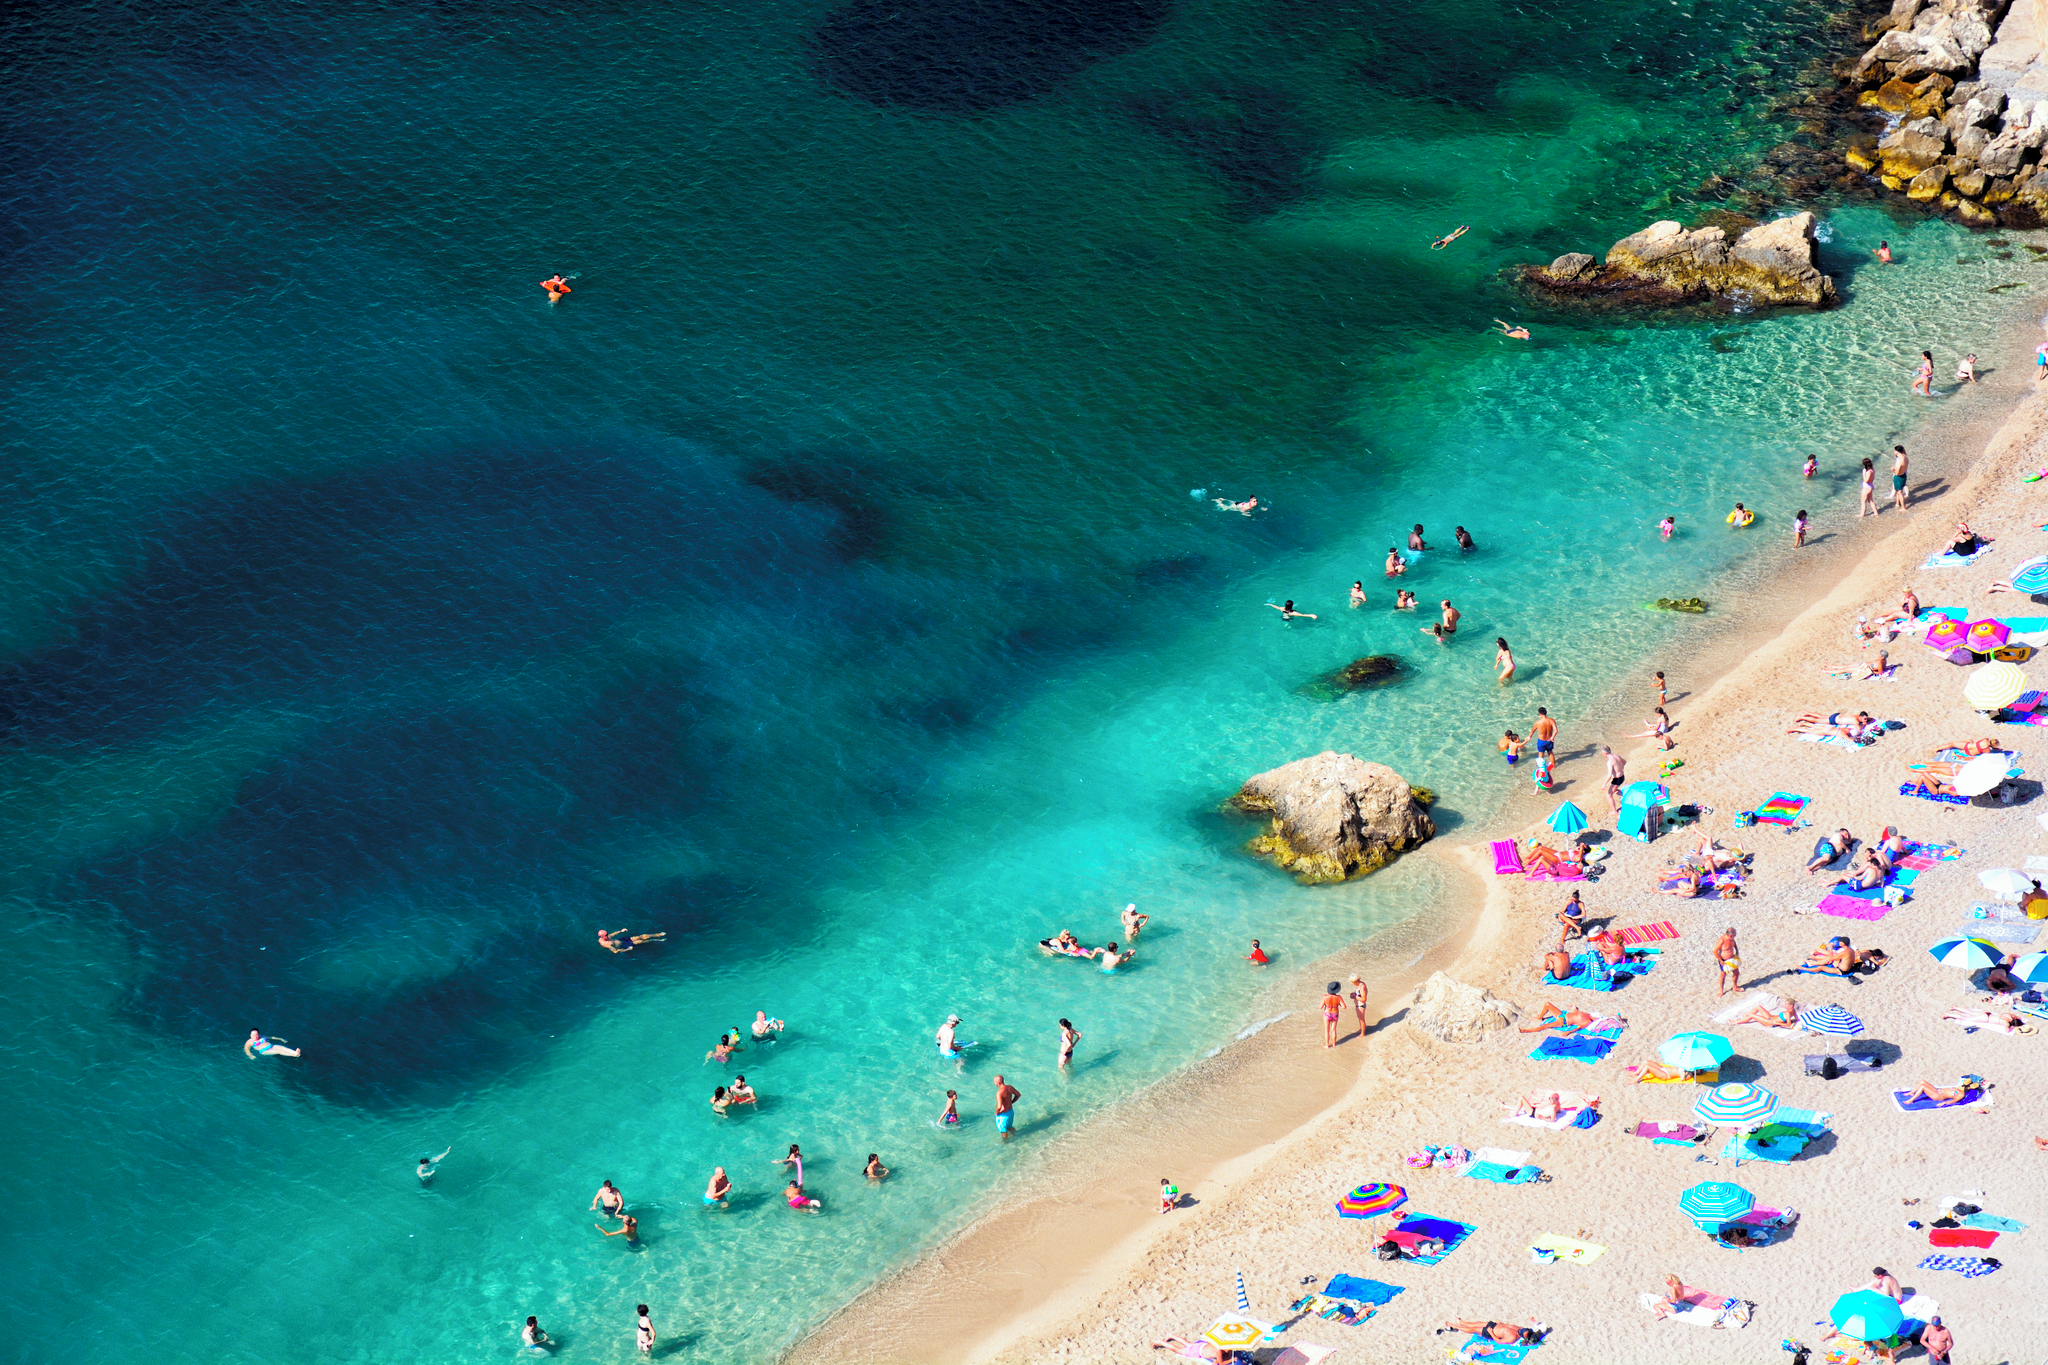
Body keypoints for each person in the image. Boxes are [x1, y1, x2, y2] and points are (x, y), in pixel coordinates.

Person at [1438, 1319, 1543, 1348]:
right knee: (1477, 1323)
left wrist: (1490, 1333)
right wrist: (1501, 1324)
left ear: (1524, 1336)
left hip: (1490, 1332)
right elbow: (1508, 1327)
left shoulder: (1512, 1338)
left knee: (1473, 1329)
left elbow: (1499, 1341)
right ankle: (1462, 1322)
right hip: (1495, 1325)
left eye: (1525, 1331)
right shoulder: (1522, 1329)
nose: (1524, 1329)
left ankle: (1454, 1326)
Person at [1517, 1001, 1593, 1033]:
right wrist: (1574, 1008)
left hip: (1563, 1022)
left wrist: (1568, 1032)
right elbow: (1575, 1012)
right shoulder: (1584, 1014)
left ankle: (1525, 1030)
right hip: (1562, 1015)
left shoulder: (1587, 1022)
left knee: (1544, 1026)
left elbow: (1578, 1028)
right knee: (1547, 1004)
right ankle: (1540, 1017)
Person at [1903, 1076, 1984, 1106]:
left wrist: (1944, 1103)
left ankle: (1911, 1100)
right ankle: (1912, 1092)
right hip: (1937, 1091)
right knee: (1922, 1081)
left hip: (1939, 1096)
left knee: (1923, 1087)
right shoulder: (1959, 1087)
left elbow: (1954, 1100)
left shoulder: (1961, 1094)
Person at [1730, 997, 1798, 1028]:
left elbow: (1788, 1024)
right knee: (1758, 1007)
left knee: (1752, 1016)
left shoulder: (1788, 1013)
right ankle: (1746, 1015)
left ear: (1791, 1005)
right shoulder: (1793, 1011)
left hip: (1770, 1023)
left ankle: (1736, 1022)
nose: (1784, 1005)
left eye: (1786, 1004)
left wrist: (1777, 1023)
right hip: (1771, 1017)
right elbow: (1797, 1019)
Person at [1714, 927, 1741, 996]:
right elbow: (1715, 951)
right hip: (1724, 960)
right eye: (1734, 935)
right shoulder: (1722, 940)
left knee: (1736, 973)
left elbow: (1734, 944)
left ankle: (1735, 986)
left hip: (1732, 959)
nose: (1735, 936)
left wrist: (1737, 951)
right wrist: (1720, 960)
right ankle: (1721, 991)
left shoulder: (1731, 939)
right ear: (1730, 935)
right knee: (1723, 976)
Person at [993, 1074, 1021, 1139]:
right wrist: (1011, 1102)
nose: (994, 1083)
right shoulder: (1010, 1087)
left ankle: (1005, 1143)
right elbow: (1018, 1095)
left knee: (1003, 1131)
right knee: (1009, 1127)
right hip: (1010, 1112)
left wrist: (997, 1112)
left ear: (998, 1083)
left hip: (1003, 1115)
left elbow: (999, 1106)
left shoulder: (999, 1092)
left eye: (994, 1082)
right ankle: (1017, 1136)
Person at [1319, 981, 1345, 1047]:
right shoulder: (1339, 997)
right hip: (1335, 1014)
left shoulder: (1325, 997)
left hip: (1327, 1014)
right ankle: (1334, 1044)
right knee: (1333, 1029)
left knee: (1326, 1030)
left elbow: (1320, 1007)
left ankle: (1327, 1045)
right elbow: (1344, 1007)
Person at [598, 928, 666, 953]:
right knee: (640, 941)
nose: (608, 935)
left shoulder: (606, 936)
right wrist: (627, 949)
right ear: (602, 936)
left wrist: (621, 931)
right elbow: (615, 951)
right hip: (623, 945)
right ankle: (656, 939)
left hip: (622, 940)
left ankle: (657, 934)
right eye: (606, 934)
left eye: (607, 933)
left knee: (641, 936)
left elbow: (612, 934)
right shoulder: (606, 943)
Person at [1603, 745, 1626, 815]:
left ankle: (1614, 811)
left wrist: (1604, 784)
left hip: (1617, 779)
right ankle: (1626, 794)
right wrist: (1620, 769)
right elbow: (1624, 762)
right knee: (1614, 791)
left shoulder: (1609, 762)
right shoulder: (1616, 756)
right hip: (1622, 777)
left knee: (1608, 795)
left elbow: (1609, 775)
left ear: (1605, 753)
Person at [1892, 445, 1911, 510]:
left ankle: (1903, 507)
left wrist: (1893, 469)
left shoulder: (1899, 460)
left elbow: (1897, 472)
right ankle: (1897, 503)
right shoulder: (1905, 457)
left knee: (1899, 492)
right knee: (1898, 491)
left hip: (1898, 477)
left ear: (1897, 452)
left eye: (1894, 451)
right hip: (1904, 475)